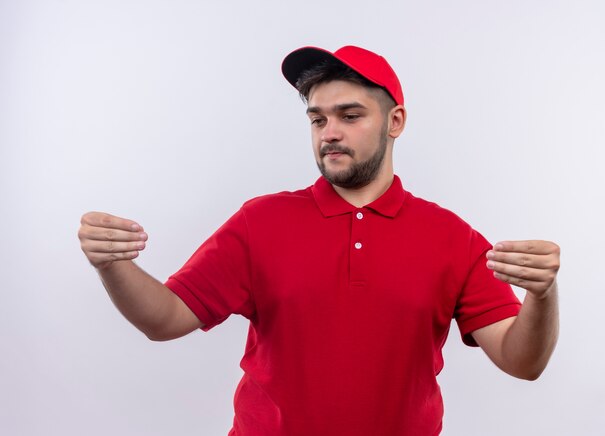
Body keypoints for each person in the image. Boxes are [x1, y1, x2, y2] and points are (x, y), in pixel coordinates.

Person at [78, 45, 560, 436]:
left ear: (395, 122)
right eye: (317, 119)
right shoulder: (260, 221)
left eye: (350, 116)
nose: (330, 133)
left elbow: (522, 362)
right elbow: (164, 319)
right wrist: (111, 264)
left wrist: (541, 294)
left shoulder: (452, 237)